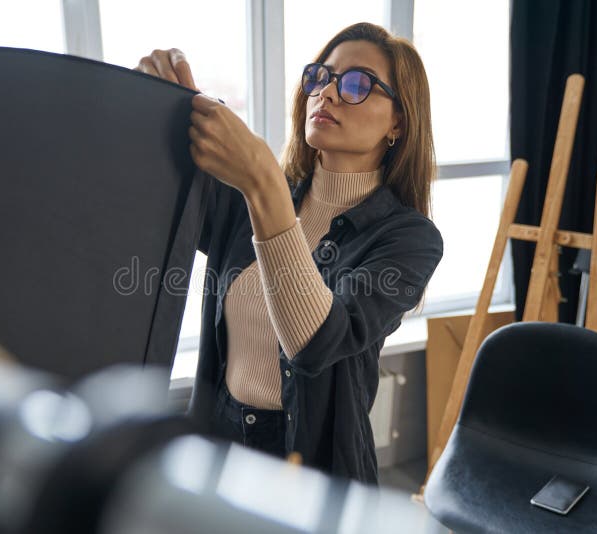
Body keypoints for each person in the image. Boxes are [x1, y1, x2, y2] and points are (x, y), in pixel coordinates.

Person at [135, 22, 443, 485]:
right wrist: (156, 98)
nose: (329, 93)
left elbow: (314, 343)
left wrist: (262, 182)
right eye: (321, 76)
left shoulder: (410, 238)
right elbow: (159, 200)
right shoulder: (254, 198)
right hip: (219, 440)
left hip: (310, 466)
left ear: (399, 122)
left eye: (357, 83)